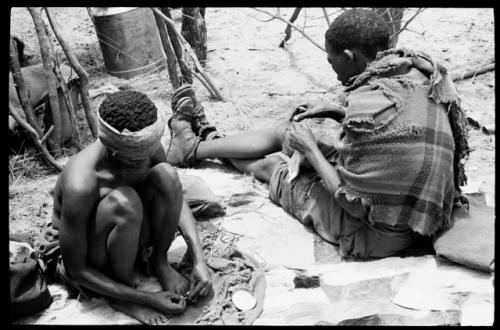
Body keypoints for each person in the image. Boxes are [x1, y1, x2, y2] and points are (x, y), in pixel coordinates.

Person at [165, 9, 470, 259]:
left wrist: (311, 150)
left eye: (331, 60)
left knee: (275, 165)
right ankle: (195, 146)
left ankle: (197, 144)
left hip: (380, 232)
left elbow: (352, 201)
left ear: (350, 55)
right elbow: (393, 136)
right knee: (286, 133)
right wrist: (334, 110)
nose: (333, 70)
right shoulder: (415, 72)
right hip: (414, 209)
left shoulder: (366, 108)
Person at [51, 90, 212, 324]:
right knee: (125, 202)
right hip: (91, 252)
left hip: (128, 233)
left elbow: (175, 196)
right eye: (135, 159)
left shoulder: (147, 147)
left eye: (146, 153)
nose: (144, 160)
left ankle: (159, 262)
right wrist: (146, 298)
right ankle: (123, 295)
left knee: (166, 174)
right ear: (114, 150)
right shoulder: (82, 182)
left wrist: (198, 258)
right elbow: (77, 269)